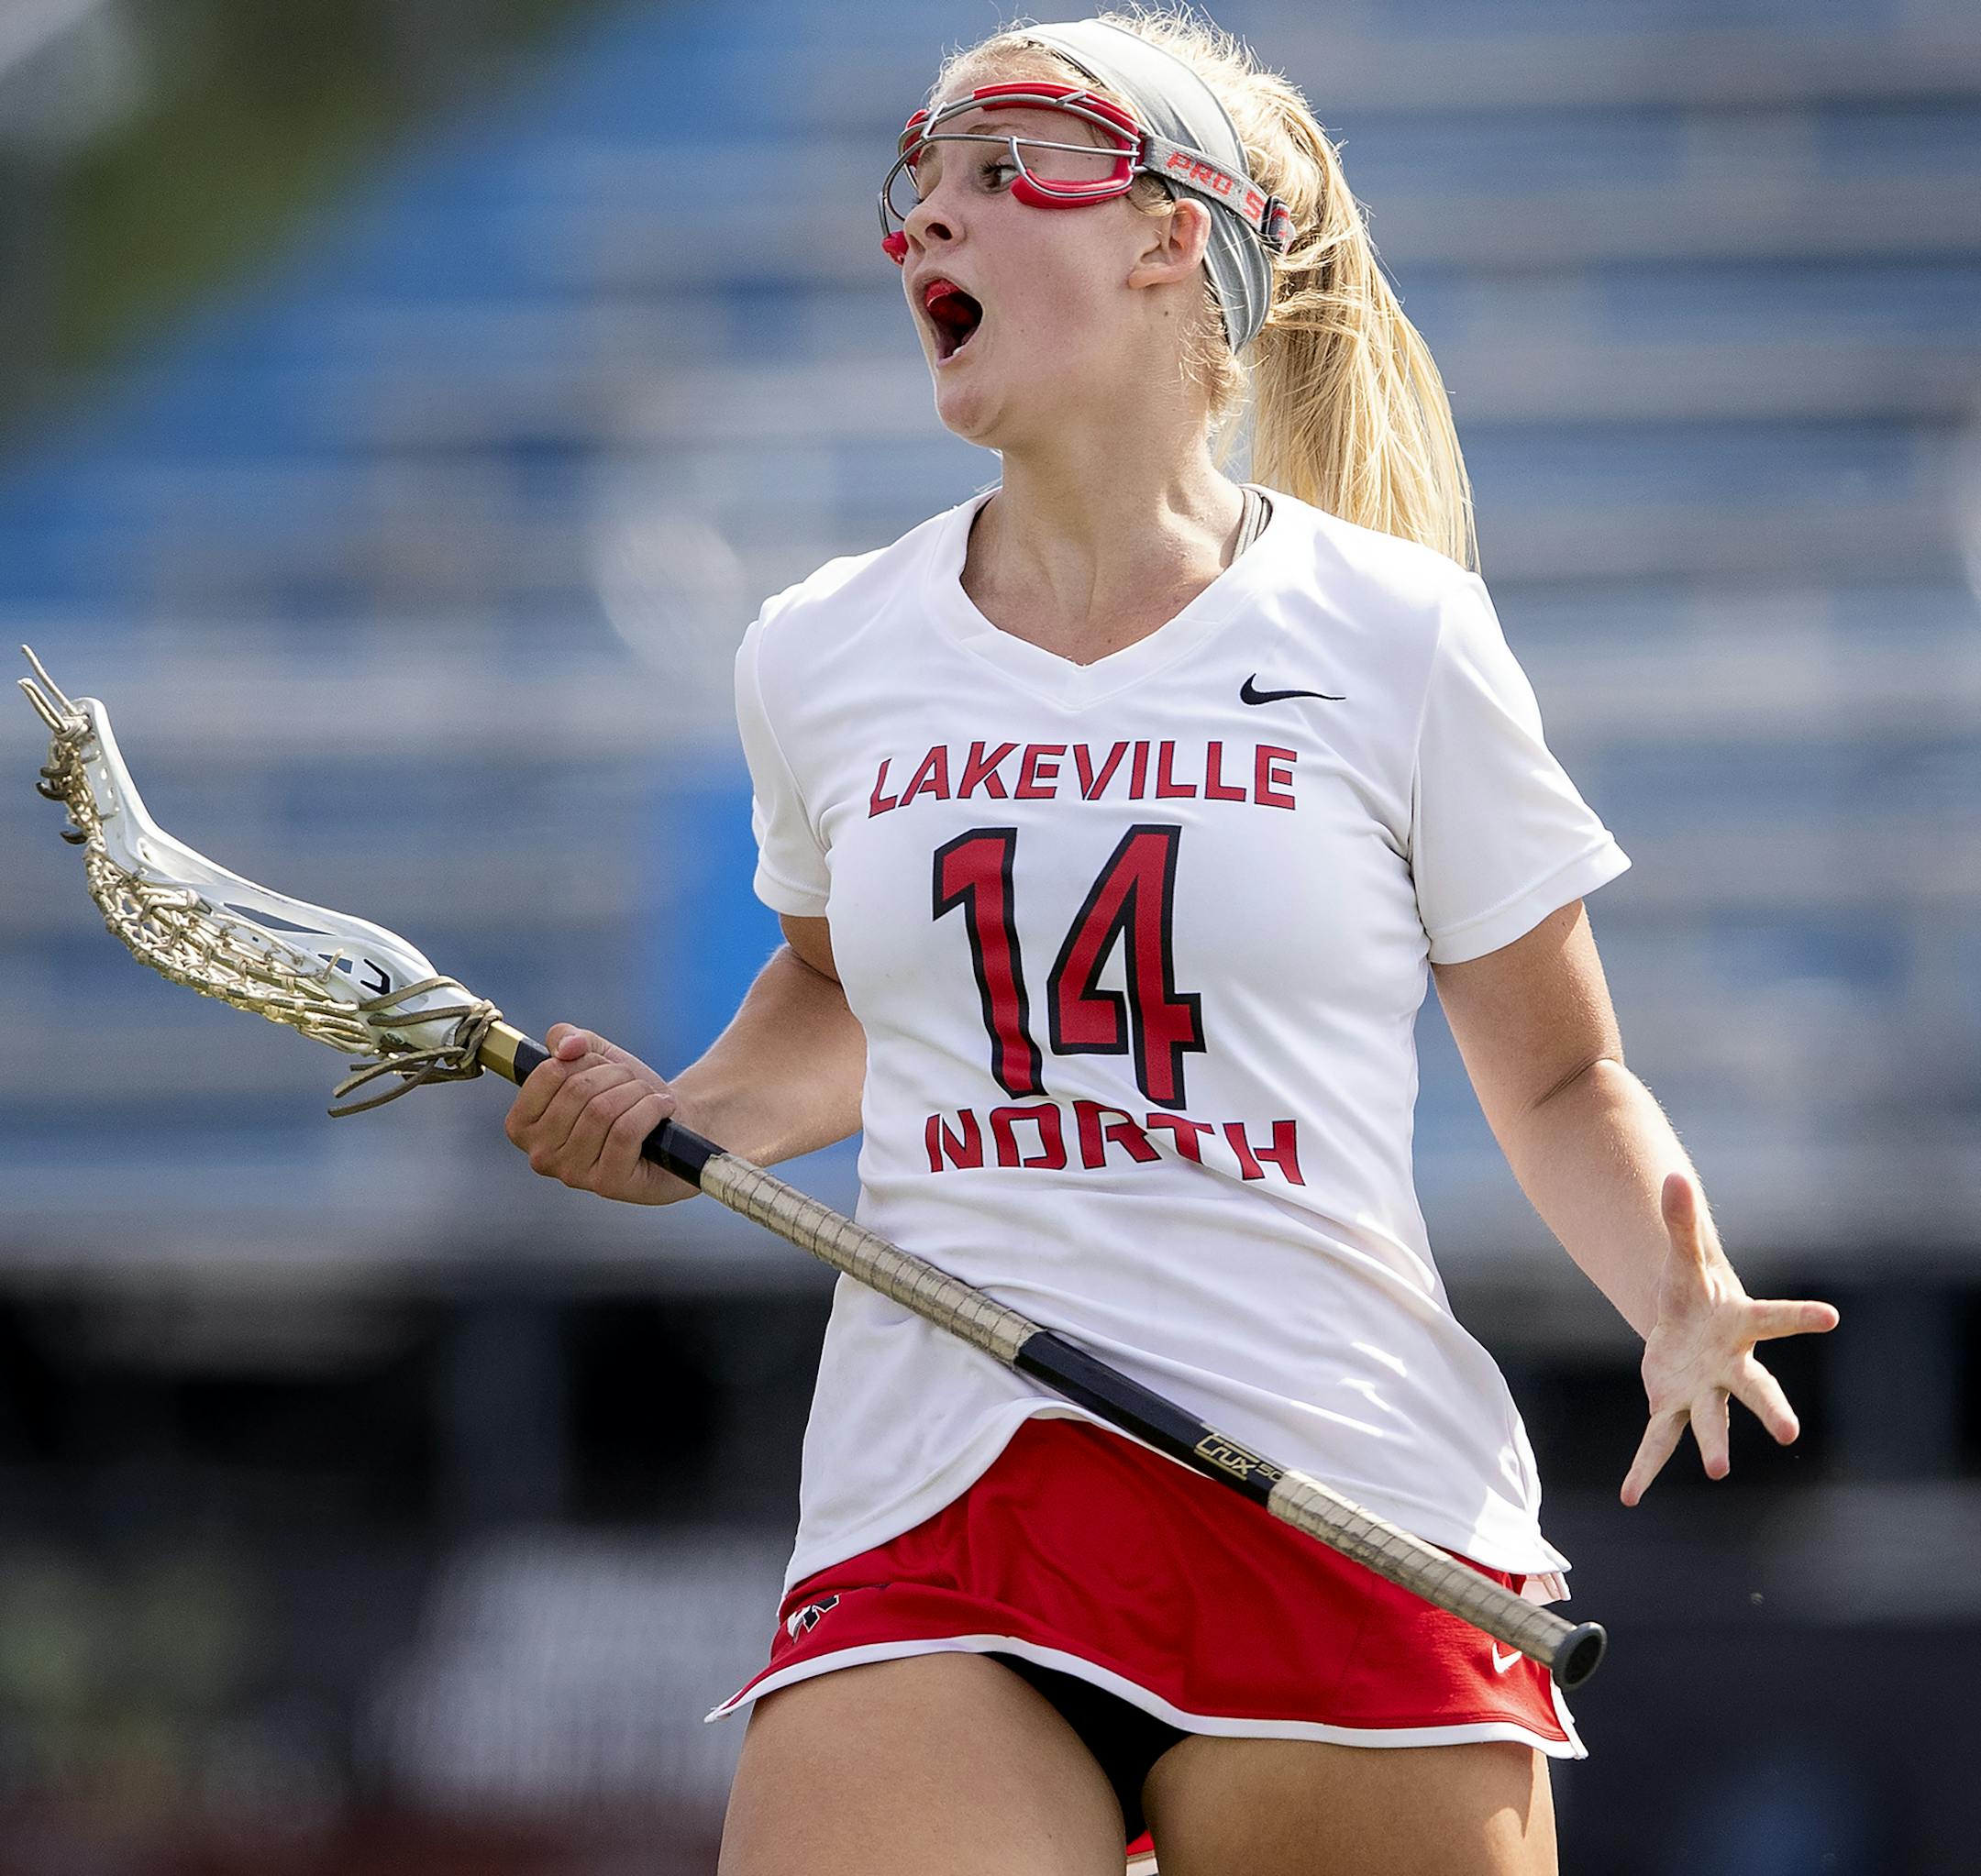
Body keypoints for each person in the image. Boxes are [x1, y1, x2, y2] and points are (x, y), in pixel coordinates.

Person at [502, 13, 1840, 1873]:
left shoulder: (1399, 635)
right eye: (922, 181)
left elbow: (1555, 1071)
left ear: (1164, 235)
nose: (927, 226)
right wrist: (683, 1123)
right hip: (941, 1493)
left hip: (1330, 1488)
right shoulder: (818, 648)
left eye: (1003, 170)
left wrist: (1672, 1297)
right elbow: (838, 998)